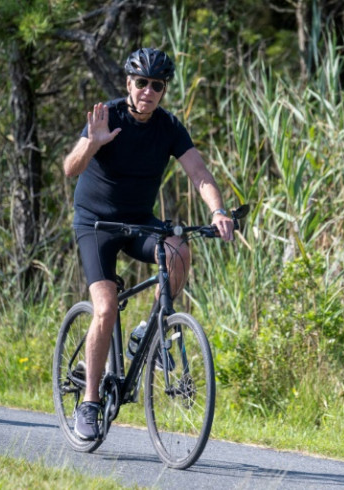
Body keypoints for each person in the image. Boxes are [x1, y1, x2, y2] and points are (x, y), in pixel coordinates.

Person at [63, 48, 234, 441]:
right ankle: (89, 404)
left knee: (178, 249)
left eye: (157, 85)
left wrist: (218, 211)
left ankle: (147, 330)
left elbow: (199, 172)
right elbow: (70, 168)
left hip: (138, 220)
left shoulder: (169, 127)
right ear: (129, 84)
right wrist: (92, 143)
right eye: (142, 83)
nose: (148, 91)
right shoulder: (108, 115)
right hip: (96, 223)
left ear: (163, 91)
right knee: (104, 308)